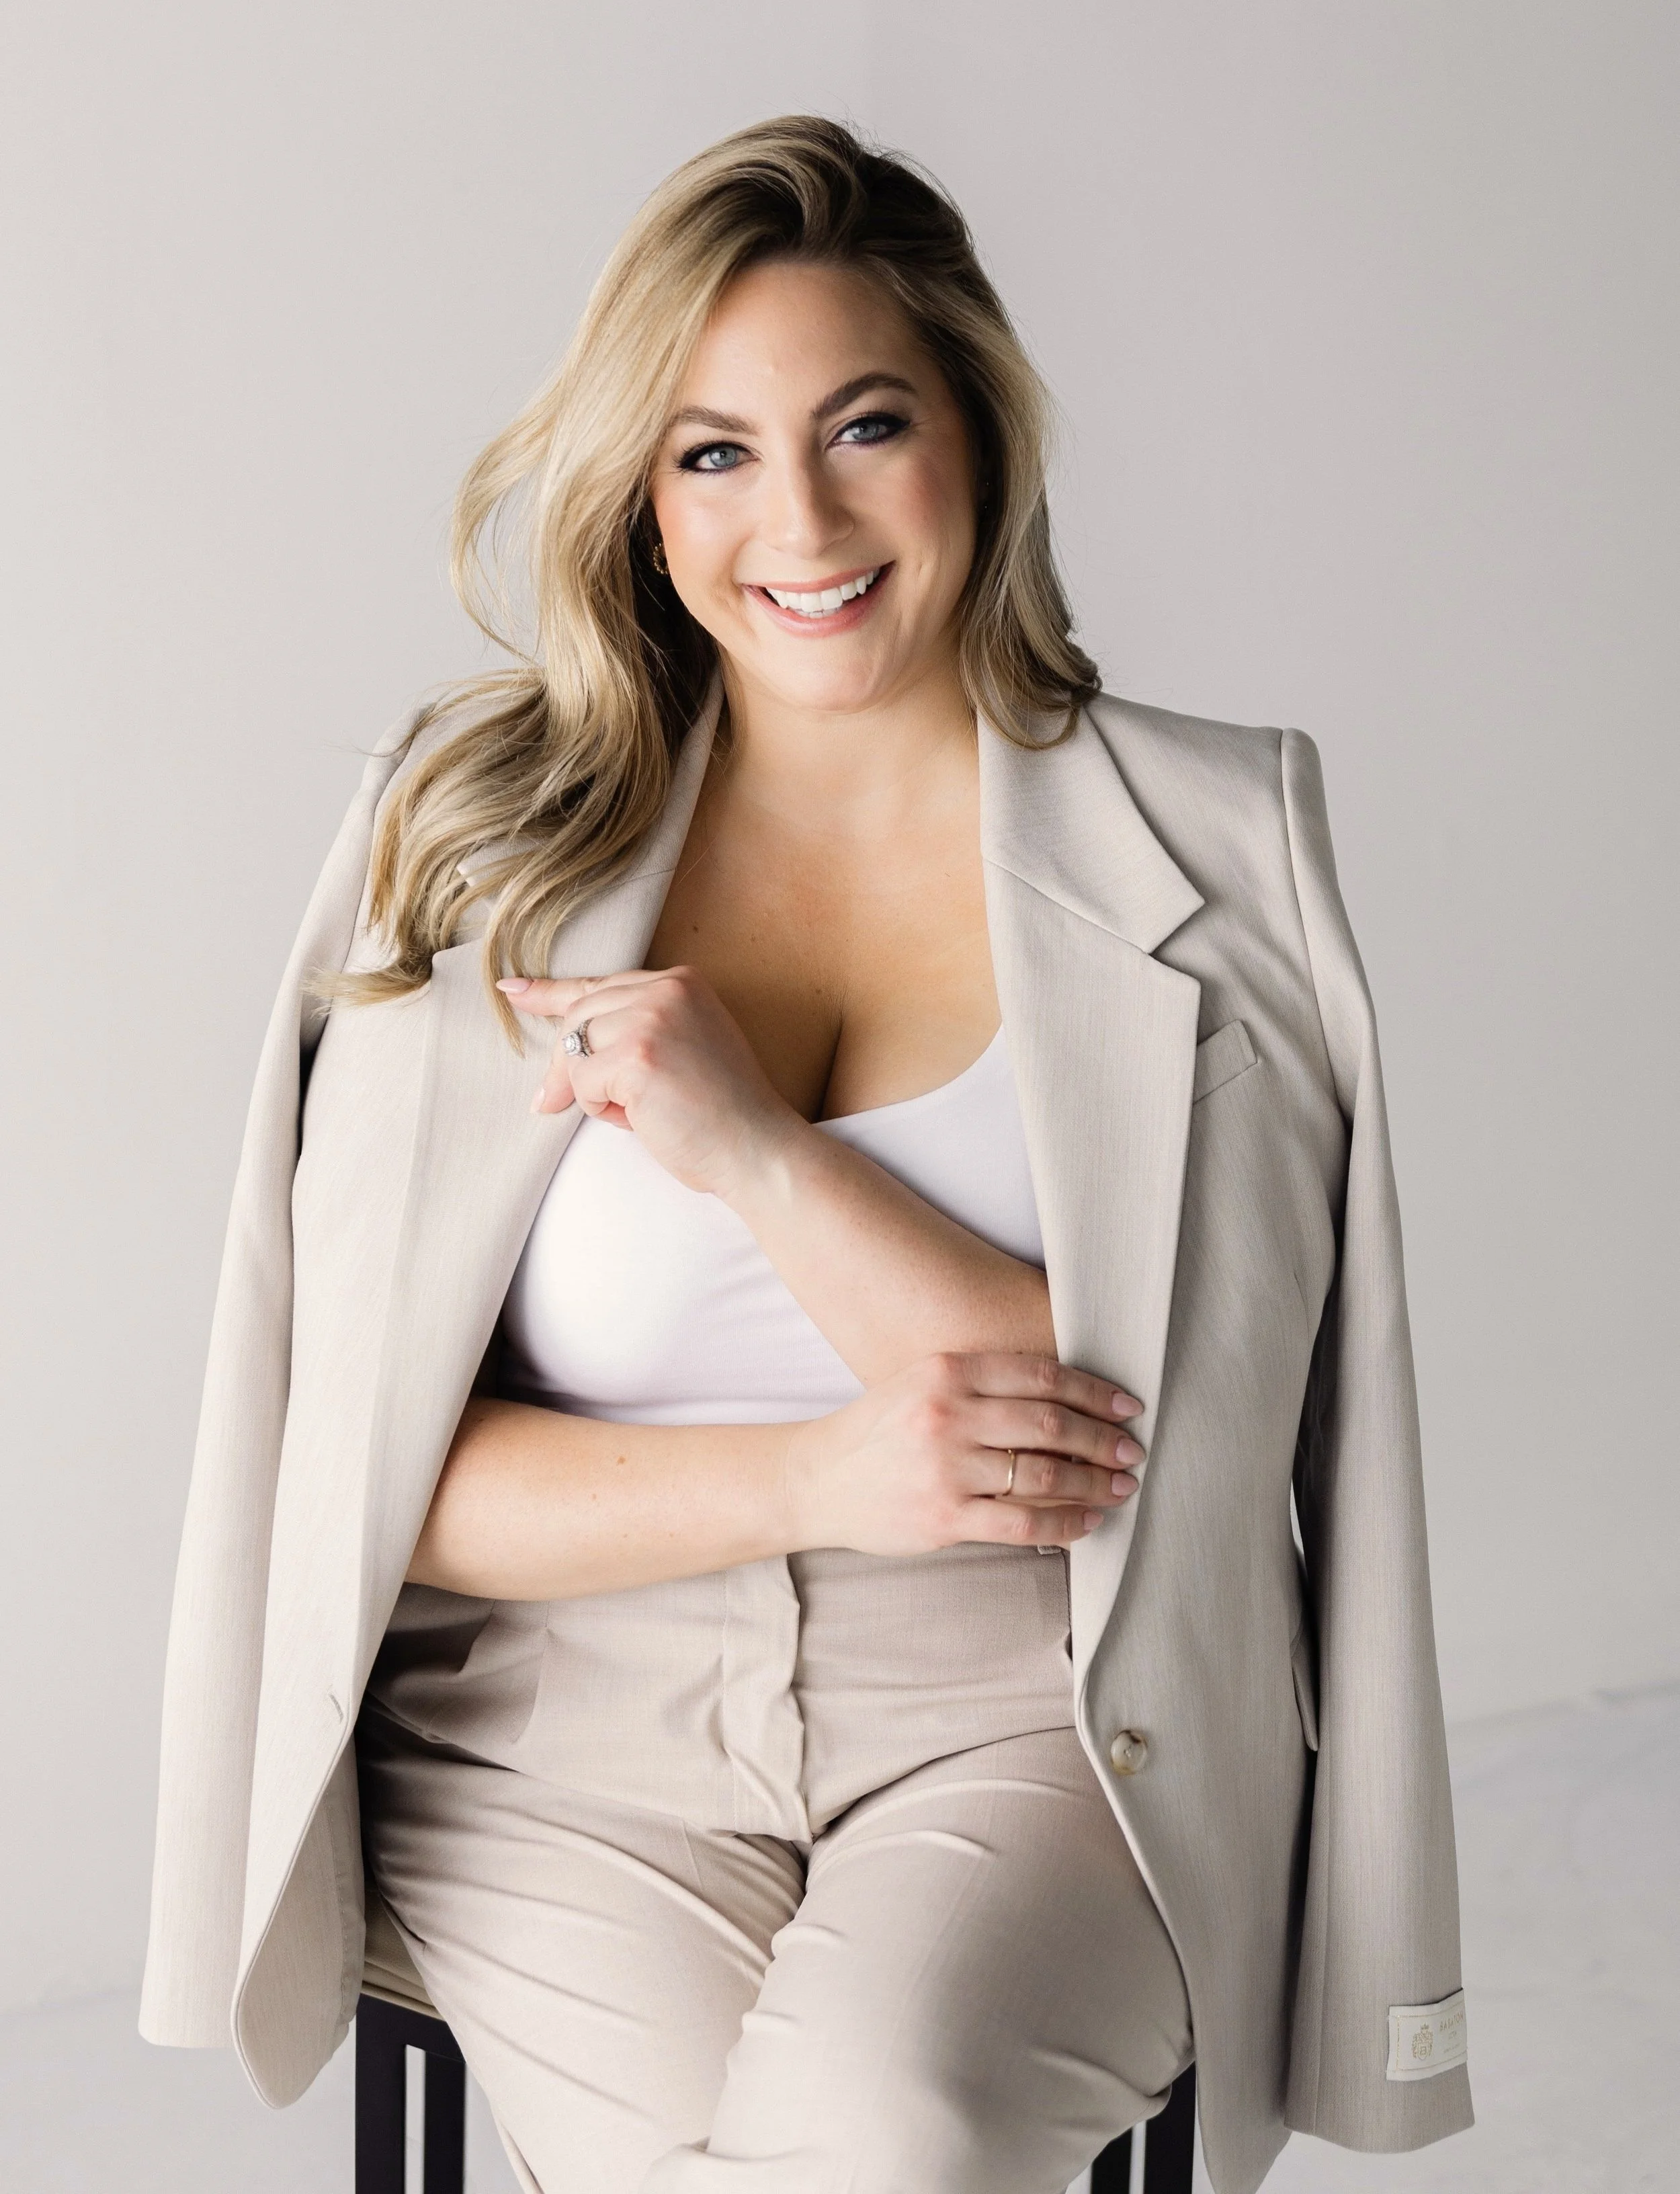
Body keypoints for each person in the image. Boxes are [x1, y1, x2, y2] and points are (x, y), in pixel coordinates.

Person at [139, 117, 1472, 2194]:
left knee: (889, 2142)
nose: (803, 520)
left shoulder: (1213, 846)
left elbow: (1153, 1444)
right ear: (642, 501)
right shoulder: (475, 834)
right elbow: (366, 1473)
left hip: (1045, 1709)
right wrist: (816, 1474)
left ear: (979, 439)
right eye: (712, 452)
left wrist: (756, 1152)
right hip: (555, 1736)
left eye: (866, 424)